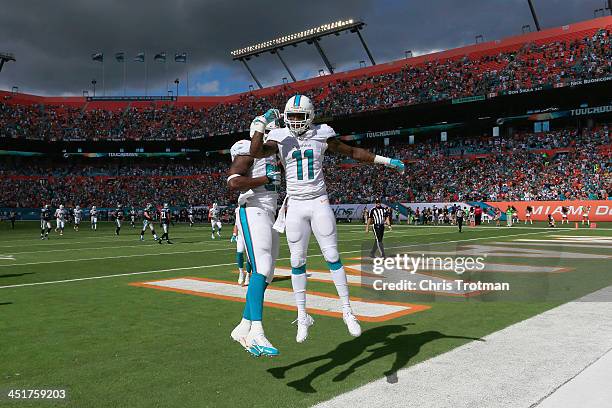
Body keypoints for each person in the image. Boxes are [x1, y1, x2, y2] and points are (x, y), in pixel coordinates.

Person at [250, 95, 405, 343]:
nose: (295, 121)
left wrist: (385, 161)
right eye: (291, 117)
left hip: (318, 201)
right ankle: (302, 314)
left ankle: (347, 310)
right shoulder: (279, 135)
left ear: (310, 116)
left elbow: (352, 151)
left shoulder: (322, 133)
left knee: (332, 256)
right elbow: (255, 151)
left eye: (300, 117)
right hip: (296, 204)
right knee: (297, 260)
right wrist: (261, 122)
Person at [227, 118, 282, 357]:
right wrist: (264, 180)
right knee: (262, 266)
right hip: (252, 209)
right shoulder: (248, 150)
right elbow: (233, 181)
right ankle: (257, 332)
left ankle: (244, 325)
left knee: (268, 272)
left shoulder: (273, 154)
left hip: (270, 212)